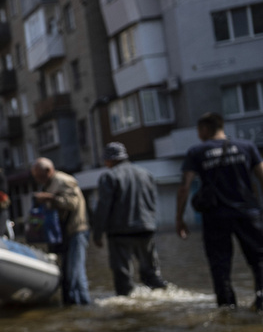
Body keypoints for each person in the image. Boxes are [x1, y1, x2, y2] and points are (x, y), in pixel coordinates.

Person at [176, 113, 263, 310]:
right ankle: (261, 300)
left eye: (199, 131)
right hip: (248, 213)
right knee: (259, 259)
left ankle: (227, 309)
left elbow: (184, 187)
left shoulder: (197, 152)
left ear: (205, 129)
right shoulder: (247, 146)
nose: (199, 135)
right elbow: (261, 177)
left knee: (220, 265)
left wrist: (179, 218)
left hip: (215, 217)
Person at [91, 142, 169, 296]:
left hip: (120, 232)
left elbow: (103, 206)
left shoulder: (109, 176)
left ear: (109, 159)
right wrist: (151, 223)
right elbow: (153, 201)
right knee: (151, 271)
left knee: (123, 276)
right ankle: (162, 296)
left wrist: (97, 233)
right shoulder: (145, 173)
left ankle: (127, 306)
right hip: (145, 228)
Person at [31, 157, 91, 305]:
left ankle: (84, 305)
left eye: (38, 176)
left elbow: (72, 203)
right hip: (61, 235)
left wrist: (50, 198)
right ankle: (70, 305)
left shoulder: (64, 180)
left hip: (76, 231)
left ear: (48, 170)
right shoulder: (48, 183)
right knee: (66, 274)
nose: (37, 179)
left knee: (75, 273)